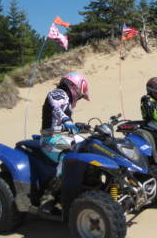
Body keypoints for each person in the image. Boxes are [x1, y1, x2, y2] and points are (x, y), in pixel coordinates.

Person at [39, 72, 90, 211]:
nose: (78, 98)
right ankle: (48, 195)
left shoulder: (66, 98)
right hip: (50, 138)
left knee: (90, 144)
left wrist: (80, 127)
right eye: (80, 95)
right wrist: (67, 120)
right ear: (75, 87)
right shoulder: (57, 93)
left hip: (63, 135)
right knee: (69, 156)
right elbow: (57, 109)